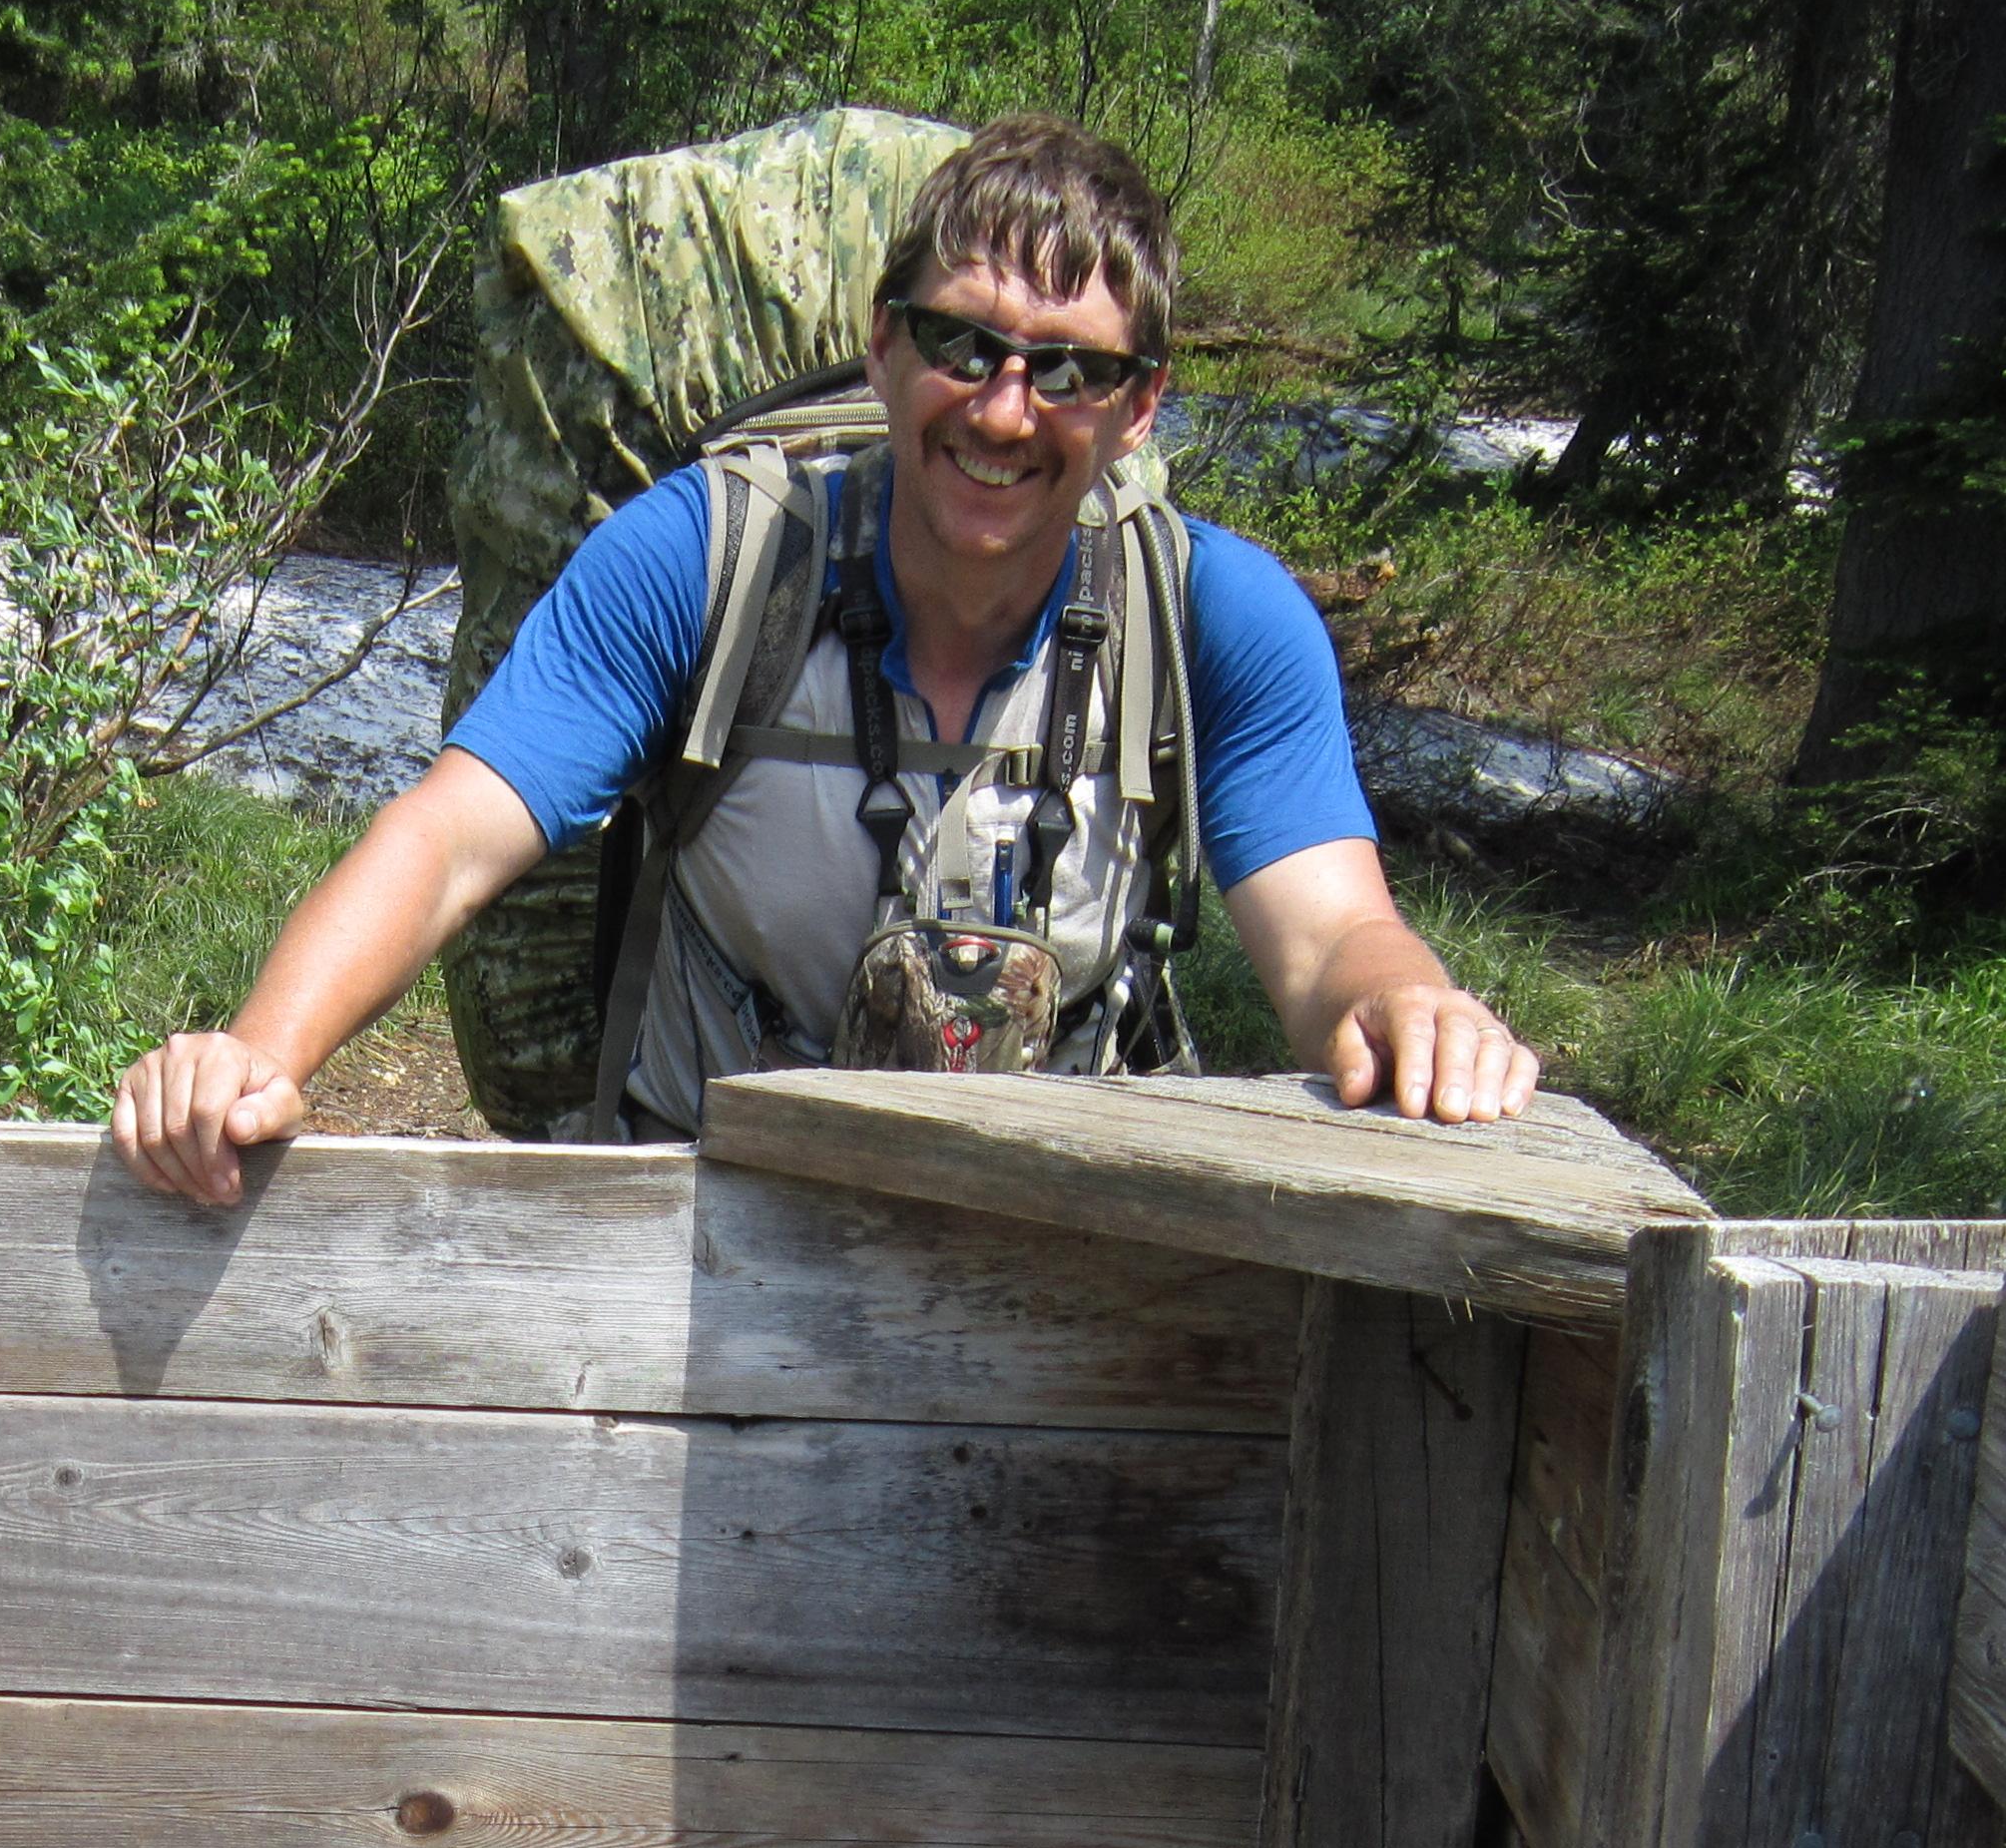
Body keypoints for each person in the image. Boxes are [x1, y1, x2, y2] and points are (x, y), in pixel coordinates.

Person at [113, 115, 1546, 1207]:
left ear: (1140, 406)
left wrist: (1407, 1003)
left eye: (1068, 368)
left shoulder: (1212, 617)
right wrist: (260, 1052)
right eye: (961, 344)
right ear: (882, 348)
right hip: (699, 1227)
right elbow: (448, 839)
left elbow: (1328, 935)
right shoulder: (708, 560)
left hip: (1052, 1249)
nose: (1004, 410)